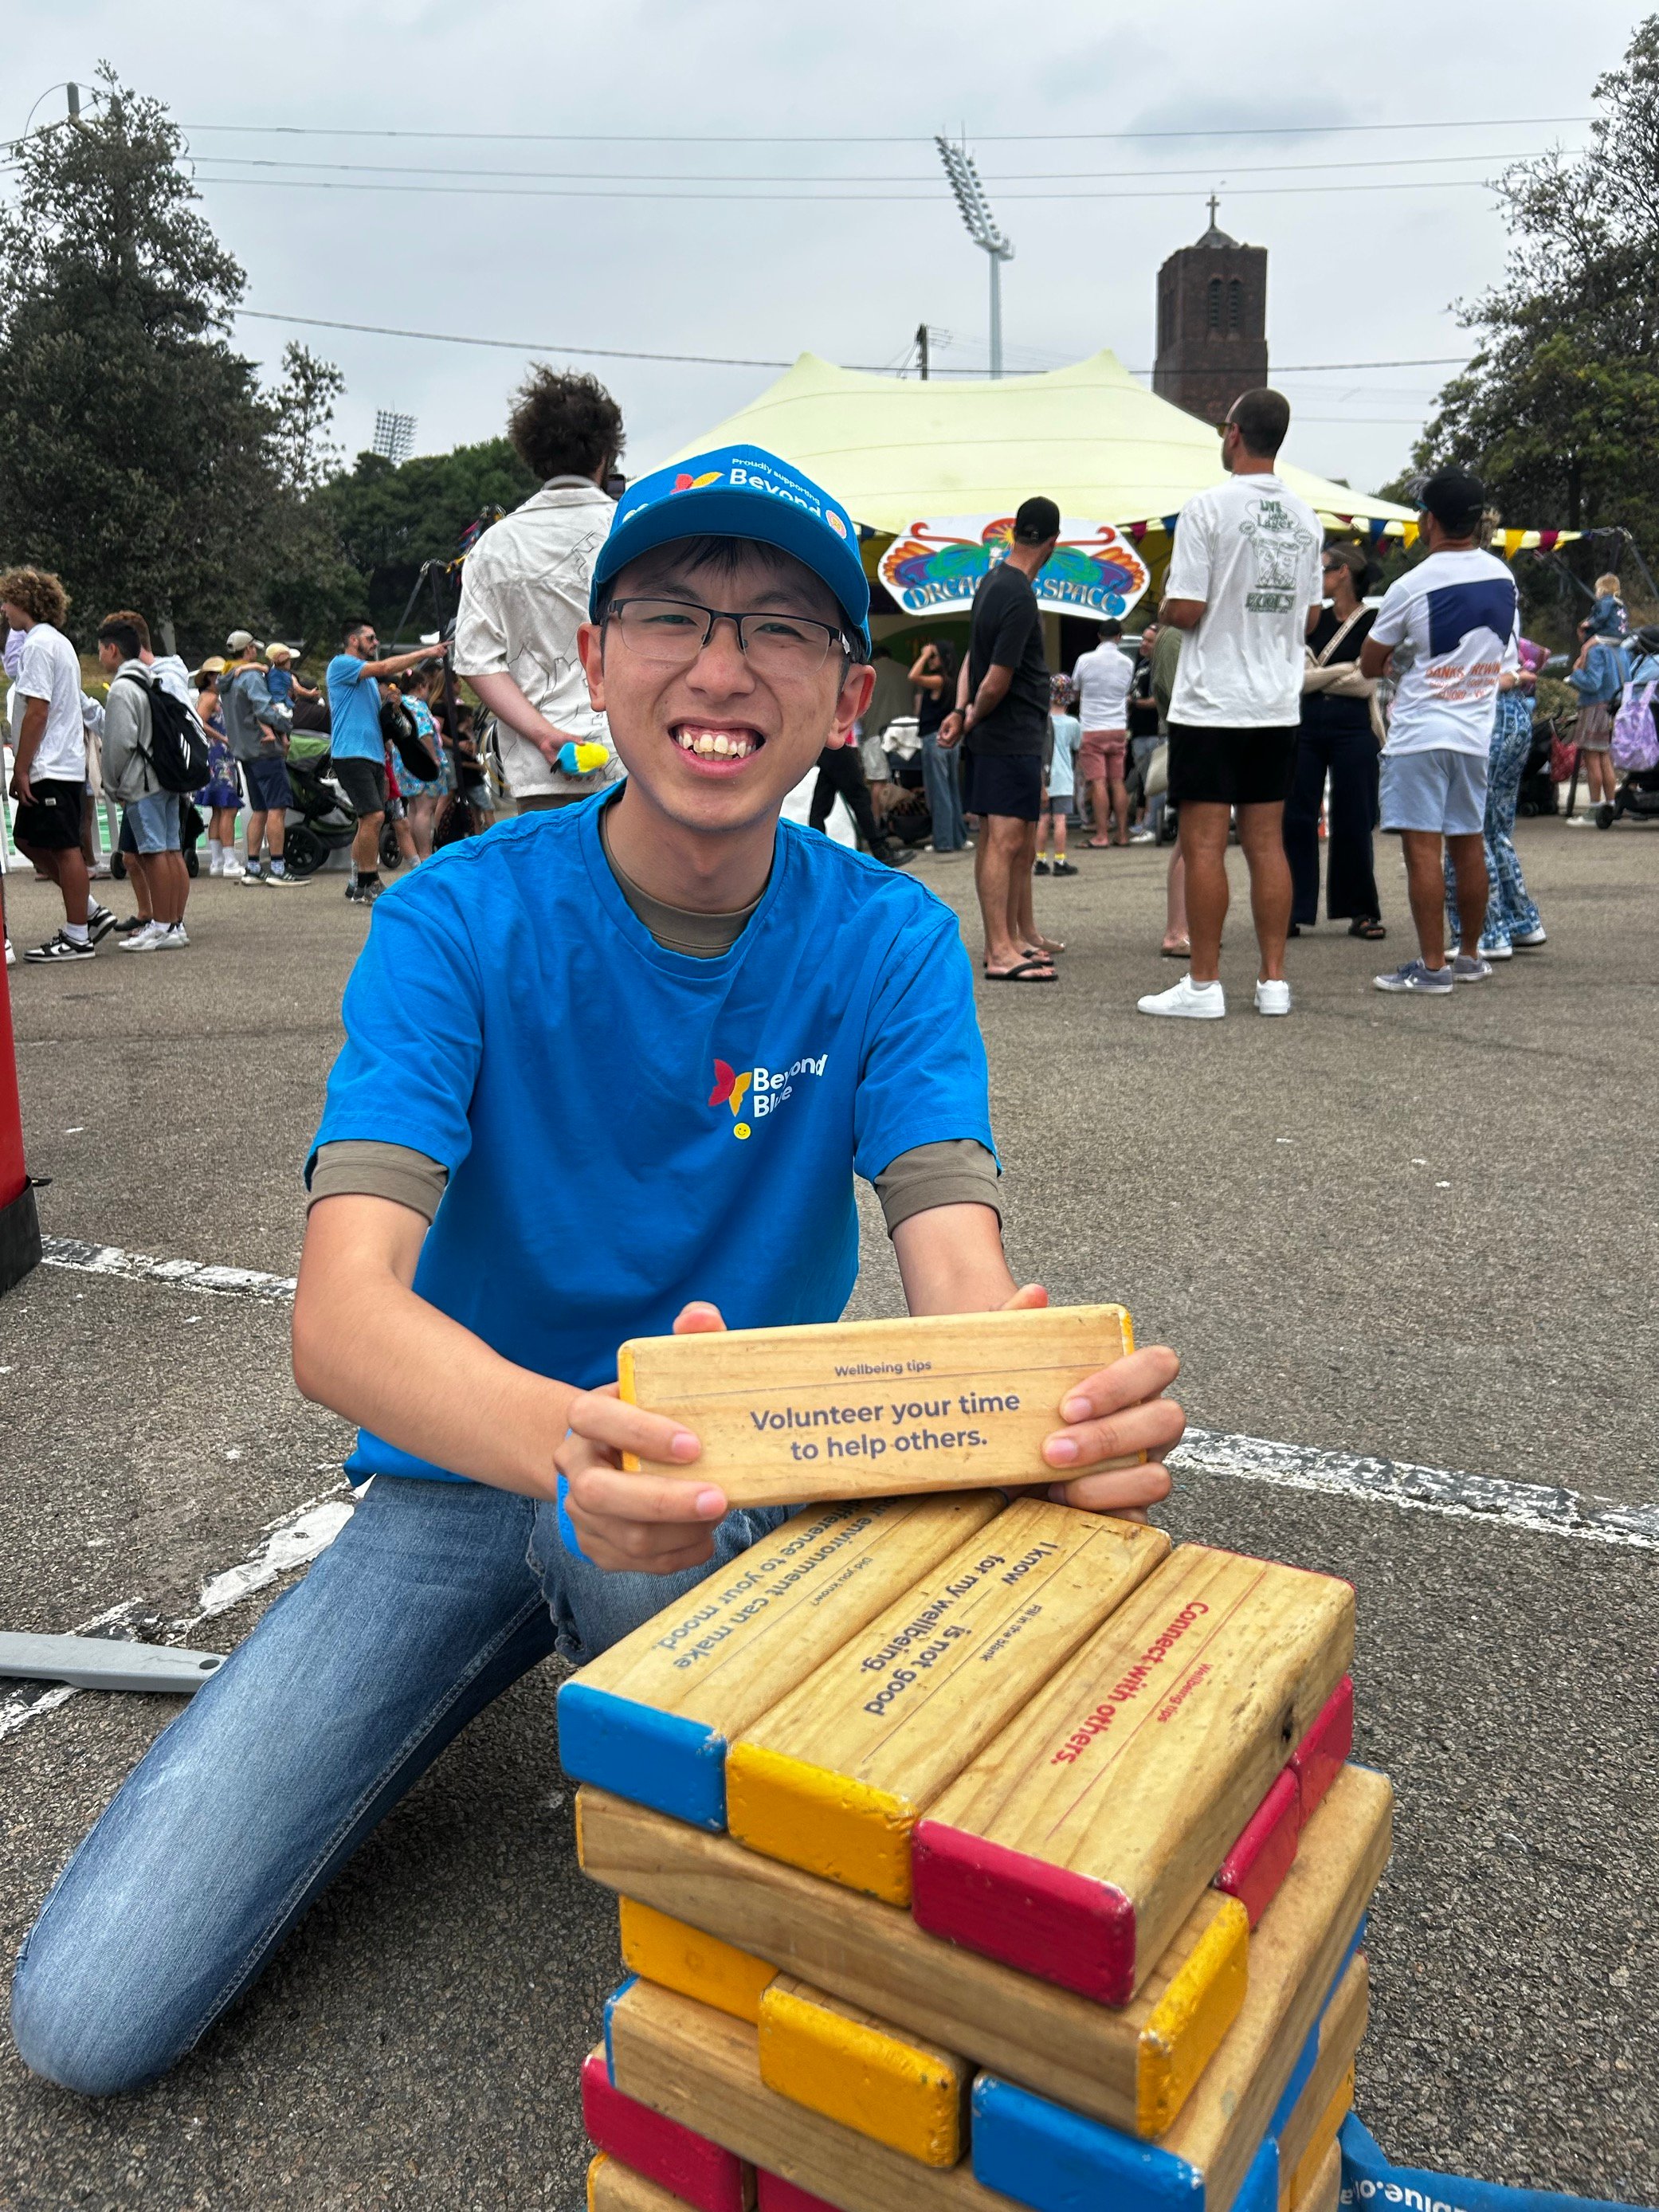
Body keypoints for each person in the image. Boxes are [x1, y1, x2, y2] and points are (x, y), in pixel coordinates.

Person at [10, 441, 1186, 2099]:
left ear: (846, 693)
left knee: (887, 1961)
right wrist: (580, 1442)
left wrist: (1053, 1410)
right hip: (463, 1472)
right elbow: (343, 1318)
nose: (722, 665)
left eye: (781, 625)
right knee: (85, 2016)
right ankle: (637, 1681)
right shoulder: (453, 918)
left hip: (734, 1475)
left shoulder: (888, 936)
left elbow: (957, 1273)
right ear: (595, 658)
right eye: (674, 615)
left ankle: (675, 1733)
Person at [1139, 390, 1321, 1020]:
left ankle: (1204, 984)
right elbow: (1314, 614)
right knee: (1268, 844)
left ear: (1235, 434)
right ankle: (1274, 983)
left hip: (1214, 701)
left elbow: (1187, 608)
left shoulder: (1207, 507)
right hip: (1276, 701)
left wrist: (1162, 612)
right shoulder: (1306, 517)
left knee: (1207, 845)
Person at [1359, 468, 1516, 994]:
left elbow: (1369, 661)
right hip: (1475, 731)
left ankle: (1431, 968)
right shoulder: (1503, 576)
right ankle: (1468, 956)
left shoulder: (1413, 584)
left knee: (1422, 852)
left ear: (1430, 520)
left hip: (1422, 731)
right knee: (1468, 844)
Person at [453, 367, 624, 813]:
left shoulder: (494, 546)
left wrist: (544, 734)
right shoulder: (631, 531)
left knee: (549, 882)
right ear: (605, 453)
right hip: (633, 758)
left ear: (532, 454)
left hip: (539, 766)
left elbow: (475, 660)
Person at [939, 496, 1061, 983]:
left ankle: (1010, 939)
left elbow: (973, 658)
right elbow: (997, 677)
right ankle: (999, 950)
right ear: (1053, 544)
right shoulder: (1018, 594)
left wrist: (958, 711)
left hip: (1000, 732)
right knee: (1004, 841)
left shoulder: (992, 581)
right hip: (1007, 732)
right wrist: (969, 716)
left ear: (1014, 533)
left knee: (1002, 839)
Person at [2, 567, 117, 963]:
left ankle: (77, 936)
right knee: (27, 838)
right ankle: (87, 912)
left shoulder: (36, 645)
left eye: (8, 601)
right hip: (63, 762)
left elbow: (37, 711)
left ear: (25, 603)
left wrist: (21, 767)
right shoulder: (60, 643)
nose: (4, 610)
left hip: (50, 763)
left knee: (64, 847)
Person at [1284, 544, 1384, 941]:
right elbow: (1296, 677)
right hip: (1306, 723)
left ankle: (1360, 909)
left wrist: (1322, 673)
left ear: (1344, 573)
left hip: (1355, 726)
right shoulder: (1311, 620)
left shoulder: (1374, 621)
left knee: (1354, 817)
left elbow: (1367, 681)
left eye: (1323, 569)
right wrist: (1345, 670)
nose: (1317, 577)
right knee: (1295, 817)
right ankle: (1292, 907)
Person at [326, 620, 450, 905]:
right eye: (370, 638)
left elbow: (379, 721)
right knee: (374, 817)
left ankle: (357, 882)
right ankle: (370, 881)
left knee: (367, 820)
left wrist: (392, 707)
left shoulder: (367, 682)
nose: (375, 642)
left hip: (371, 755)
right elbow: (383, 668)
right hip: (351, 753)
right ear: (353, 641)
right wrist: (427, 652)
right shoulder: (342, 664)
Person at [1446, 635, 1548, 961]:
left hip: (1483, 711)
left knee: (1467, 831)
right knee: (1497, 829)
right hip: (1514, 708)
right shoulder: (1504, 593)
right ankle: (1520, 920)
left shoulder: (1462, 595)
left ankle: (1485, 932)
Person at [94, 614, 191, 951]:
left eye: (101, 651)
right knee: (171, 850)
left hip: (141, 782)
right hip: (165, 778)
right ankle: (174, 923)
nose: (100, 658)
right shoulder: (152, 680)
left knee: (152, 854)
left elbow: (119, 743)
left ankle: (161, 925)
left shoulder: (123, 688)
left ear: (112, 650)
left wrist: (112, 784)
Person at [221, 631, 302, 888]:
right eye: (253, 648)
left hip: (244, 752)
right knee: (277, 808)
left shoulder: (227, 680)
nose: (255, 652)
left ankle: (253, 867)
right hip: (265, 750)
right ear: (248, 651)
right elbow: (264, 709)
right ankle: (278, 866)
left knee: (260, 809)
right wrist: (286, 723)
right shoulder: (252, 676)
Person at [1073, 618, 1135, 848]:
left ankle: (1101, 835)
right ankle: (1123, 834)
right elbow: (1125, 691)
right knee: (1117, 781)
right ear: (1119, 636)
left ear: (1099, 636)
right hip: (1118, 727)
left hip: (1092, 728)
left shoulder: (1085, 660)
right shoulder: (1127, 663)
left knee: (1098, 782)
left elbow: (1075, 689)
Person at [909, 637, 967, 853]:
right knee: (951, 790)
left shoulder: (938, 680)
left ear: (943, 659)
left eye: (934, 657)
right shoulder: (953, 681)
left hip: (935, 739)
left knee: (939, 792)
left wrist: (923, 654)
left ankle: (943, 841)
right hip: (951, 740)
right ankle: (958, 838)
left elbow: (913, 676)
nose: (931, 661)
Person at [1564, 626, 1626, 821]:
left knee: (1592, 759)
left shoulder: (1595, 651)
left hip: (1594, 708)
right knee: (1606, 757)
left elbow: (1593, 683)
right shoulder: (1620, 649)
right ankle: (1610, 806)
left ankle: (1594, 809)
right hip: (1614, 708)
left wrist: (1575, 673)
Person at [194, 666, 244, 878]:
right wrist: (223, 738)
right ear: (212, 677)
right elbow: (200, 721)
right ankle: (229, 860)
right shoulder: (211, 698)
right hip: (219, 755)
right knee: (228, 808)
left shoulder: (209, 696)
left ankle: (218, 860)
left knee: (218, 809)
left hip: (213, 755)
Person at [398, 664, 449, 859]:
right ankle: (425, 853)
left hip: (403, 763)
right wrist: (434, 759)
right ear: (420, 686)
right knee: (425, 809)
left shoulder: (399, 704)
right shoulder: (417, 705)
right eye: (427, 687)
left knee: (413, 807)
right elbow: (425, 734)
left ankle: (414, 855)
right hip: (422, 763)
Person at [1036, 676, 1079, 876]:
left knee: (1043, 819)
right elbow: (1077, 747)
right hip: (1063, 778)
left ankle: (1040, 860)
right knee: (1060, 820)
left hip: (1044, 778)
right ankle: (1060, 861)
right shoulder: (1073, 723)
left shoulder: (1042, 722)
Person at [1126, 625, 1161, 841]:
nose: (1144, 644)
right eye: (1143, 640)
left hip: (1152, 731)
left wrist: (1134, 702)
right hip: (1138, 731)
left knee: (1153, 781)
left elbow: (1157, 700)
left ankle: (1151, 826)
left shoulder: (1158, 667)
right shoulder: (1142, 665)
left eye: (1149, 641)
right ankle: (1143, 823)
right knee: (1143, 780)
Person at [1579, 572, 1627, 643]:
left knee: (1586, 647)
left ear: (1601, 589)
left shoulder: (1605, 602)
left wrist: (1589, 623)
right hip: (1621, 635)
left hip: (1608, 634)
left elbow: (1603, 616)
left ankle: (1583, 654)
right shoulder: (1620, 603)